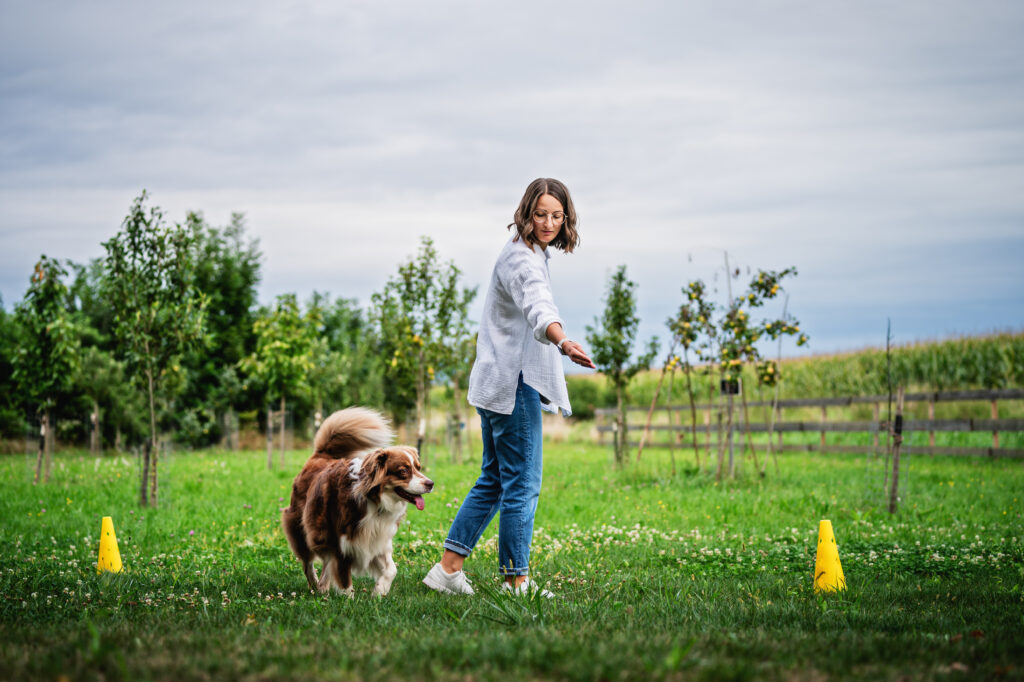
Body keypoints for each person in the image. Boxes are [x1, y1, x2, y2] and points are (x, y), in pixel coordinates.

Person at [423, 178, 595, 597]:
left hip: (498, 382)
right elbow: (538, 305)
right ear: (526, 213)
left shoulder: (531, 252)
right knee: (521, 483)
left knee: (496, 480)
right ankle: (516, 581)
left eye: (557, 215)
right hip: (512, 386)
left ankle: (447, 571)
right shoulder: (522, 259)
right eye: (541, 214)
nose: (549, 223)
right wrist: (562, 340)